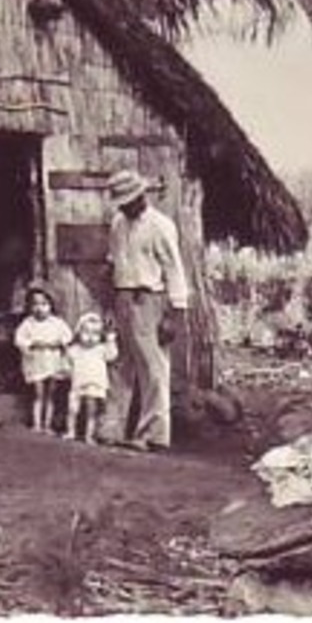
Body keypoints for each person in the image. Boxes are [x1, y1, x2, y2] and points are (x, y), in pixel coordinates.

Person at [101, 169, 190, 451]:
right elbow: (114, 261)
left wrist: (174, 314)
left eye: (129, 200)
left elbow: (174, 270)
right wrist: (110, 299)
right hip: (123, 297)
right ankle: (112, 428)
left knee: (153, 368)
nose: (126, 206)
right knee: (119, 363)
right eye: (121, 203)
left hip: (149, 298)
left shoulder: (160, 225)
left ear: (141, 196)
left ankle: (153, 435)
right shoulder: (118, 223)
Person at [13, 283, 73, 433]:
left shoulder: (57, 323)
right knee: (38, 393)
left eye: (44, 304)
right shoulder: (28, 323)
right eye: (35, 304)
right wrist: (30, 345)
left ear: (51, 305)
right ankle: (37, 423)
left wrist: (62, 347)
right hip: (37, 359)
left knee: (51, 394)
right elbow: (19, 339)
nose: (39, 308)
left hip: (52, 359)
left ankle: (48, 424)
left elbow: (67, 337)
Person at [63, 312, 119, 444]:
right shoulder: (75, 349)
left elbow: (112, 355)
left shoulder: (101, 349)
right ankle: (71, 431)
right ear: (78, 332)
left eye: (95, 333)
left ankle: (89, 435)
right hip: (77, 384)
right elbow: (66, 362)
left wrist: (111, 339)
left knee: (91, 411)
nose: (90, 337)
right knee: (72, 409)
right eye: (86, 332)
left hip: (94, 384)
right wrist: (67, 371)